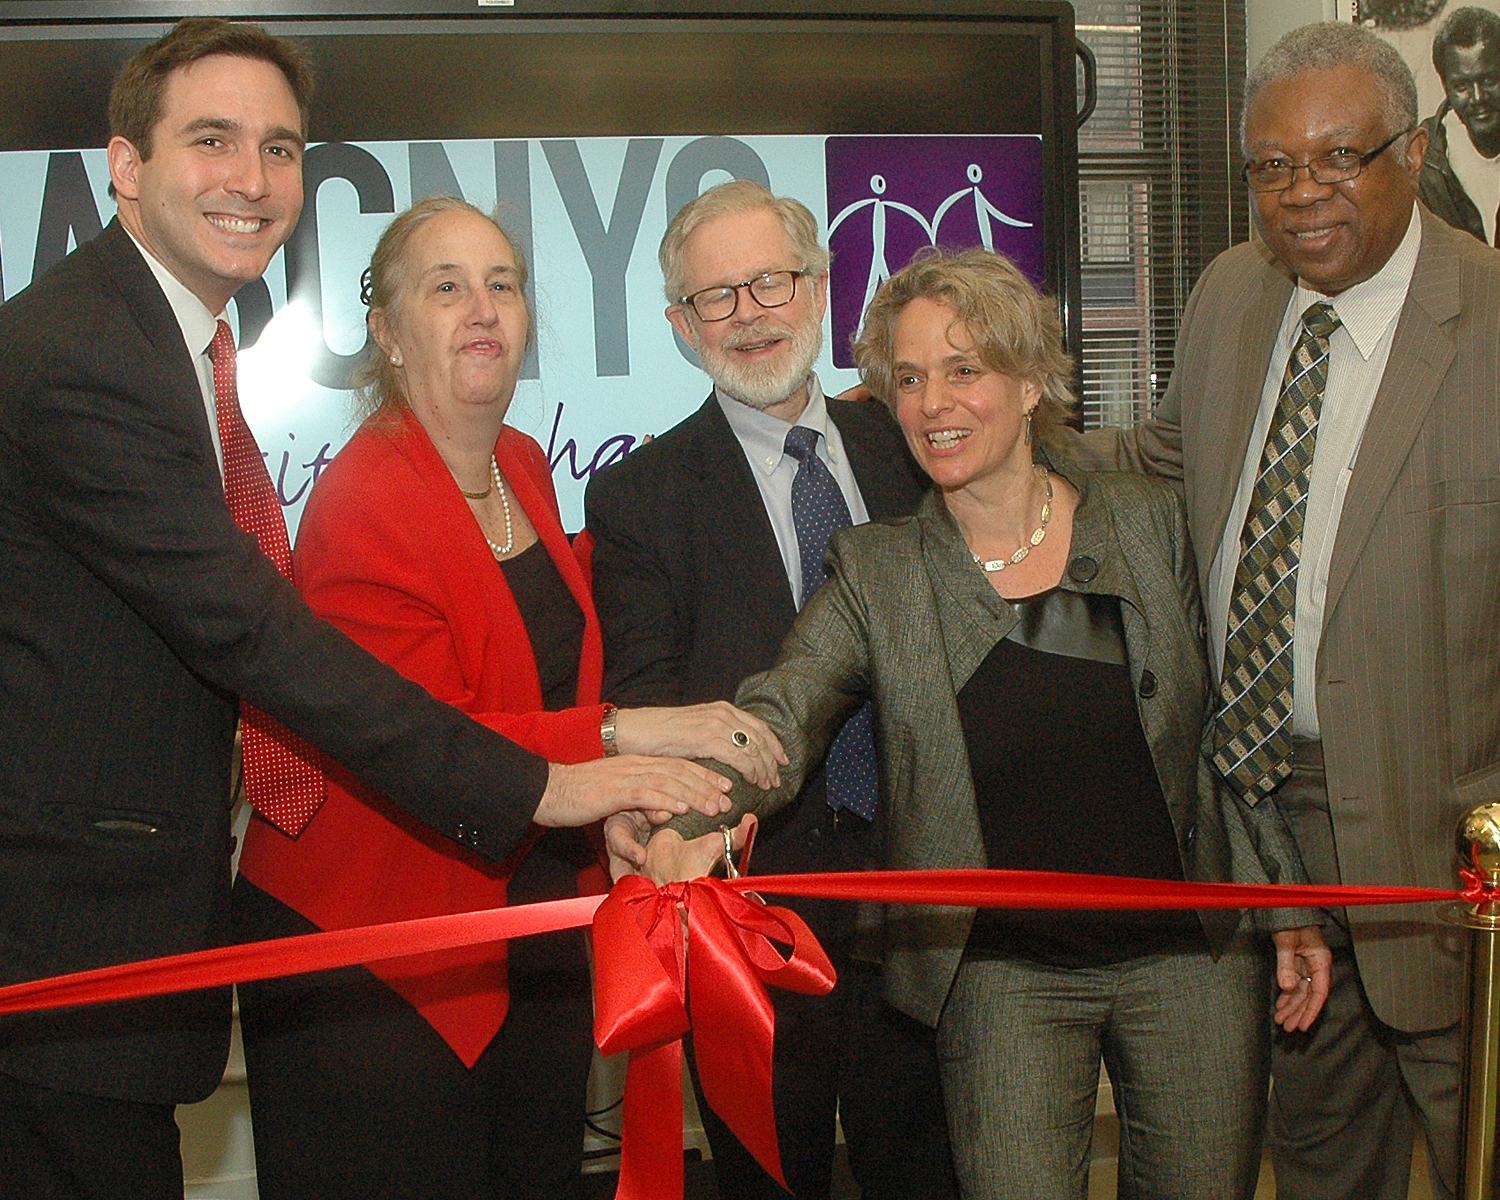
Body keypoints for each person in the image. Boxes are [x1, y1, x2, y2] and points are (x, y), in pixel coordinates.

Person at [0, 21, 733, 1199]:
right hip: (75, 943)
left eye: (280, 148)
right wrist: (556, 781)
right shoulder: (82, 353)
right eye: (212, 140)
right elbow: (255, 634)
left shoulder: (176, 349)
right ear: (125, 164)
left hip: (202, 933)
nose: (252, 178)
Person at [637, 247, 1329, 1200]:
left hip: (1190, 964)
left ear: (1032, 379)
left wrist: (1286, 904)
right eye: (911, 379)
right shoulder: (879, 570)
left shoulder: (1149, 520)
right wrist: (697, 820)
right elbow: (780, 714)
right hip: (1003, 980)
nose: (933, 404)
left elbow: (1219, 733)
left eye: (965, 370)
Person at [230, 195, 784, 1199]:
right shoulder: (364, 502)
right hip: (381, 965)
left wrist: (616, 809)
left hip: (528, 931)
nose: (483, 308)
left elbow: (535, 681)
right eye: (447, 288)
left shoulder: (520, 464)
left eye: (504, 284)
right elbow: (434, 743)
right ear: (389, 334)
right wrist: (629, 738)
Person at [1053, 21, 1500, 1200]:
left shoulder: (1493, 319)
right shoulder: (1234, 293)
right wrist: (986, 419)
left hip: (1450, 848)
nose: (1301, 196)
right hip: (1264, 819)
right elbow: (1157, 461)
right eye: (1271, 167)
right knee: (1314, 1155)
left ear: (1412, 150)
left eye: (1339, 158)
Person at [586, 180, 956, 1200]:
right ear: (678, 324)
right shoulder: (638, 497)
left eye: (771, 282)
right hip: (747, 907)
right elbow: (649, 697)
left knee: (929, 1173)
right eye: (718, 297)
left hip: (922, 894)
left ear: (822, 289)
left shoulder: (921, 449)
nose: (750, 313)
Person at [1418, 6, 1500, 245]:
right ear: (1445, 86)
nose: (1478, 98)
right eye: (1462, 86)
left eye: (1489, 80)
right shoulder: (1424, 162)